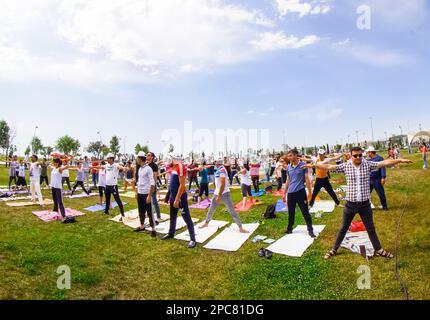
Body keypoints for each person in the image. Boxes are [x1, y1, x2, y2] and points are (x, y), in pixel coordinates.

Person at [306, 146, 413, 260]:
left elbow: (384, 162)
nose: (358, 157)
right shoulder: (346, 166)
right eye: (355, 155)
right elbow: (328, 166)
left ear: (362, 155)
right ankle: (334, 249)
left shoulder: (368, 165)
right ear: (351, 156)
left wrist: (399, 160)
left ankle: (379, 249)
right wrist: (314, 165)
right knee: (343, 228)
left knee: (371, 229)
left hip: (365, 205)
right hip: (350, 205)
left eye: (360, 155)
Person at [200, 157, 248, 233]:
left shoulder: (222, 170)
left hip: (224, 194)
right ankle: (206, 223)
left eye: (214, 162)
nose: (214, 163)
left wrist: (219, 195)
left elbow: (223, 184)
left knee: (232, 211)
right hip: (217, 193)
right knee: (211, 209)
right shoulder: (219, 169)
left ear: (216, 163)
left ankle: (240, 228)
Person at [161, 154, 197, 249]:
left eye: (172, 159)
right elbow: (172, 184)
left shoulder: (180, 167)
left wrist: (177, 199)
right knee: (172, 216)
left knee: (186, 218)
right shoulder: (174, 167)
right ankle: (171, 233)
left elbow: (182, 185)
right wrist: (168, 197)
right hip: (173, 196)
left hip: (180, 198)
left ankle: (193, 239)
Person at [282, 149, 316, 238]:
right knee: (291, 212)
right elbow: (288, 180)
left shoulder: (303, 166)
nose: (289, 157)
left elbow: (307, 179)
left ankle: (310, 230)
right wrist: (284, 193)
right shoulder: (288, 167)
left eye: (290, 155)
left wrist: (310, 192)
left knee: (305, 212)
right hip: (291, 194)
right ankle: (289, 228)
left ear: (296, 155)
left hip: (300, 192)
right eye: (288, 156)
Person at [91, 154, 126, 219]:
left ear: (111, 159)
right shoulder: (107, 165)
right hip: (107, 186)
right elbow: (101, 167)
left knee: (117, 200)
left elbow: (120, 167)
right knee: (107, 199)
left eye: (108, 158)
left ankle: (123, 214)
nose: (107, 160)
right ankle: (106, 211)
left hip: (113, 186)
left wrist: (123, 168)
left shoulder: (116, 165)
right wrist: (92, 167)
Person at [134, 152, 157, 237]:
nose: (136, 160)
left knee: (150, 212)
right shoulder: (140, 169)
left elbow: (152, 183)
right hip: (140, 193)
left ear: (140, 159)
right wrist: (136, 192)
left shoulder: (148, 169)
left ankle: (153, 229)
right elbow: (139, 182)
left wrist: (149, 195)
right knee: (141, 211)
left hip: (146, 193)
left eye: (137, 158)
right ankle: (142, 226)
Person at [366, 146, 388, 210]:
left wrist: (383, 177)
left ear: (371, 152)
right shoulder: (367, 159)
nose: (367, 154)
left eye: (368, 152)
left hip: (377, 179)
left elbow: (382, 168)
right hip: (369, 179)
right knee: (366, 194)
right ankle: (366, 207)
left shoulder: (379, 158)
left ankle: (384, 207)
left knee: (381, 193)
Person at [146, 152, 162, 223]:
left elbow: (155, 176)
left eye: (149, 155)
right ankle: (148, 213)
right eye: (147, 155)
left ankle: (158, 216)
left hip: (152, 185)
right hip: (146, 185)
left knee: (154, 201)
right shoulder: (146, 165)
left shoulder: (154, 165)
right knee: (147, 200)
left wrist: (154, 185)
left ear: (152, 157)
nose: (147, 156)